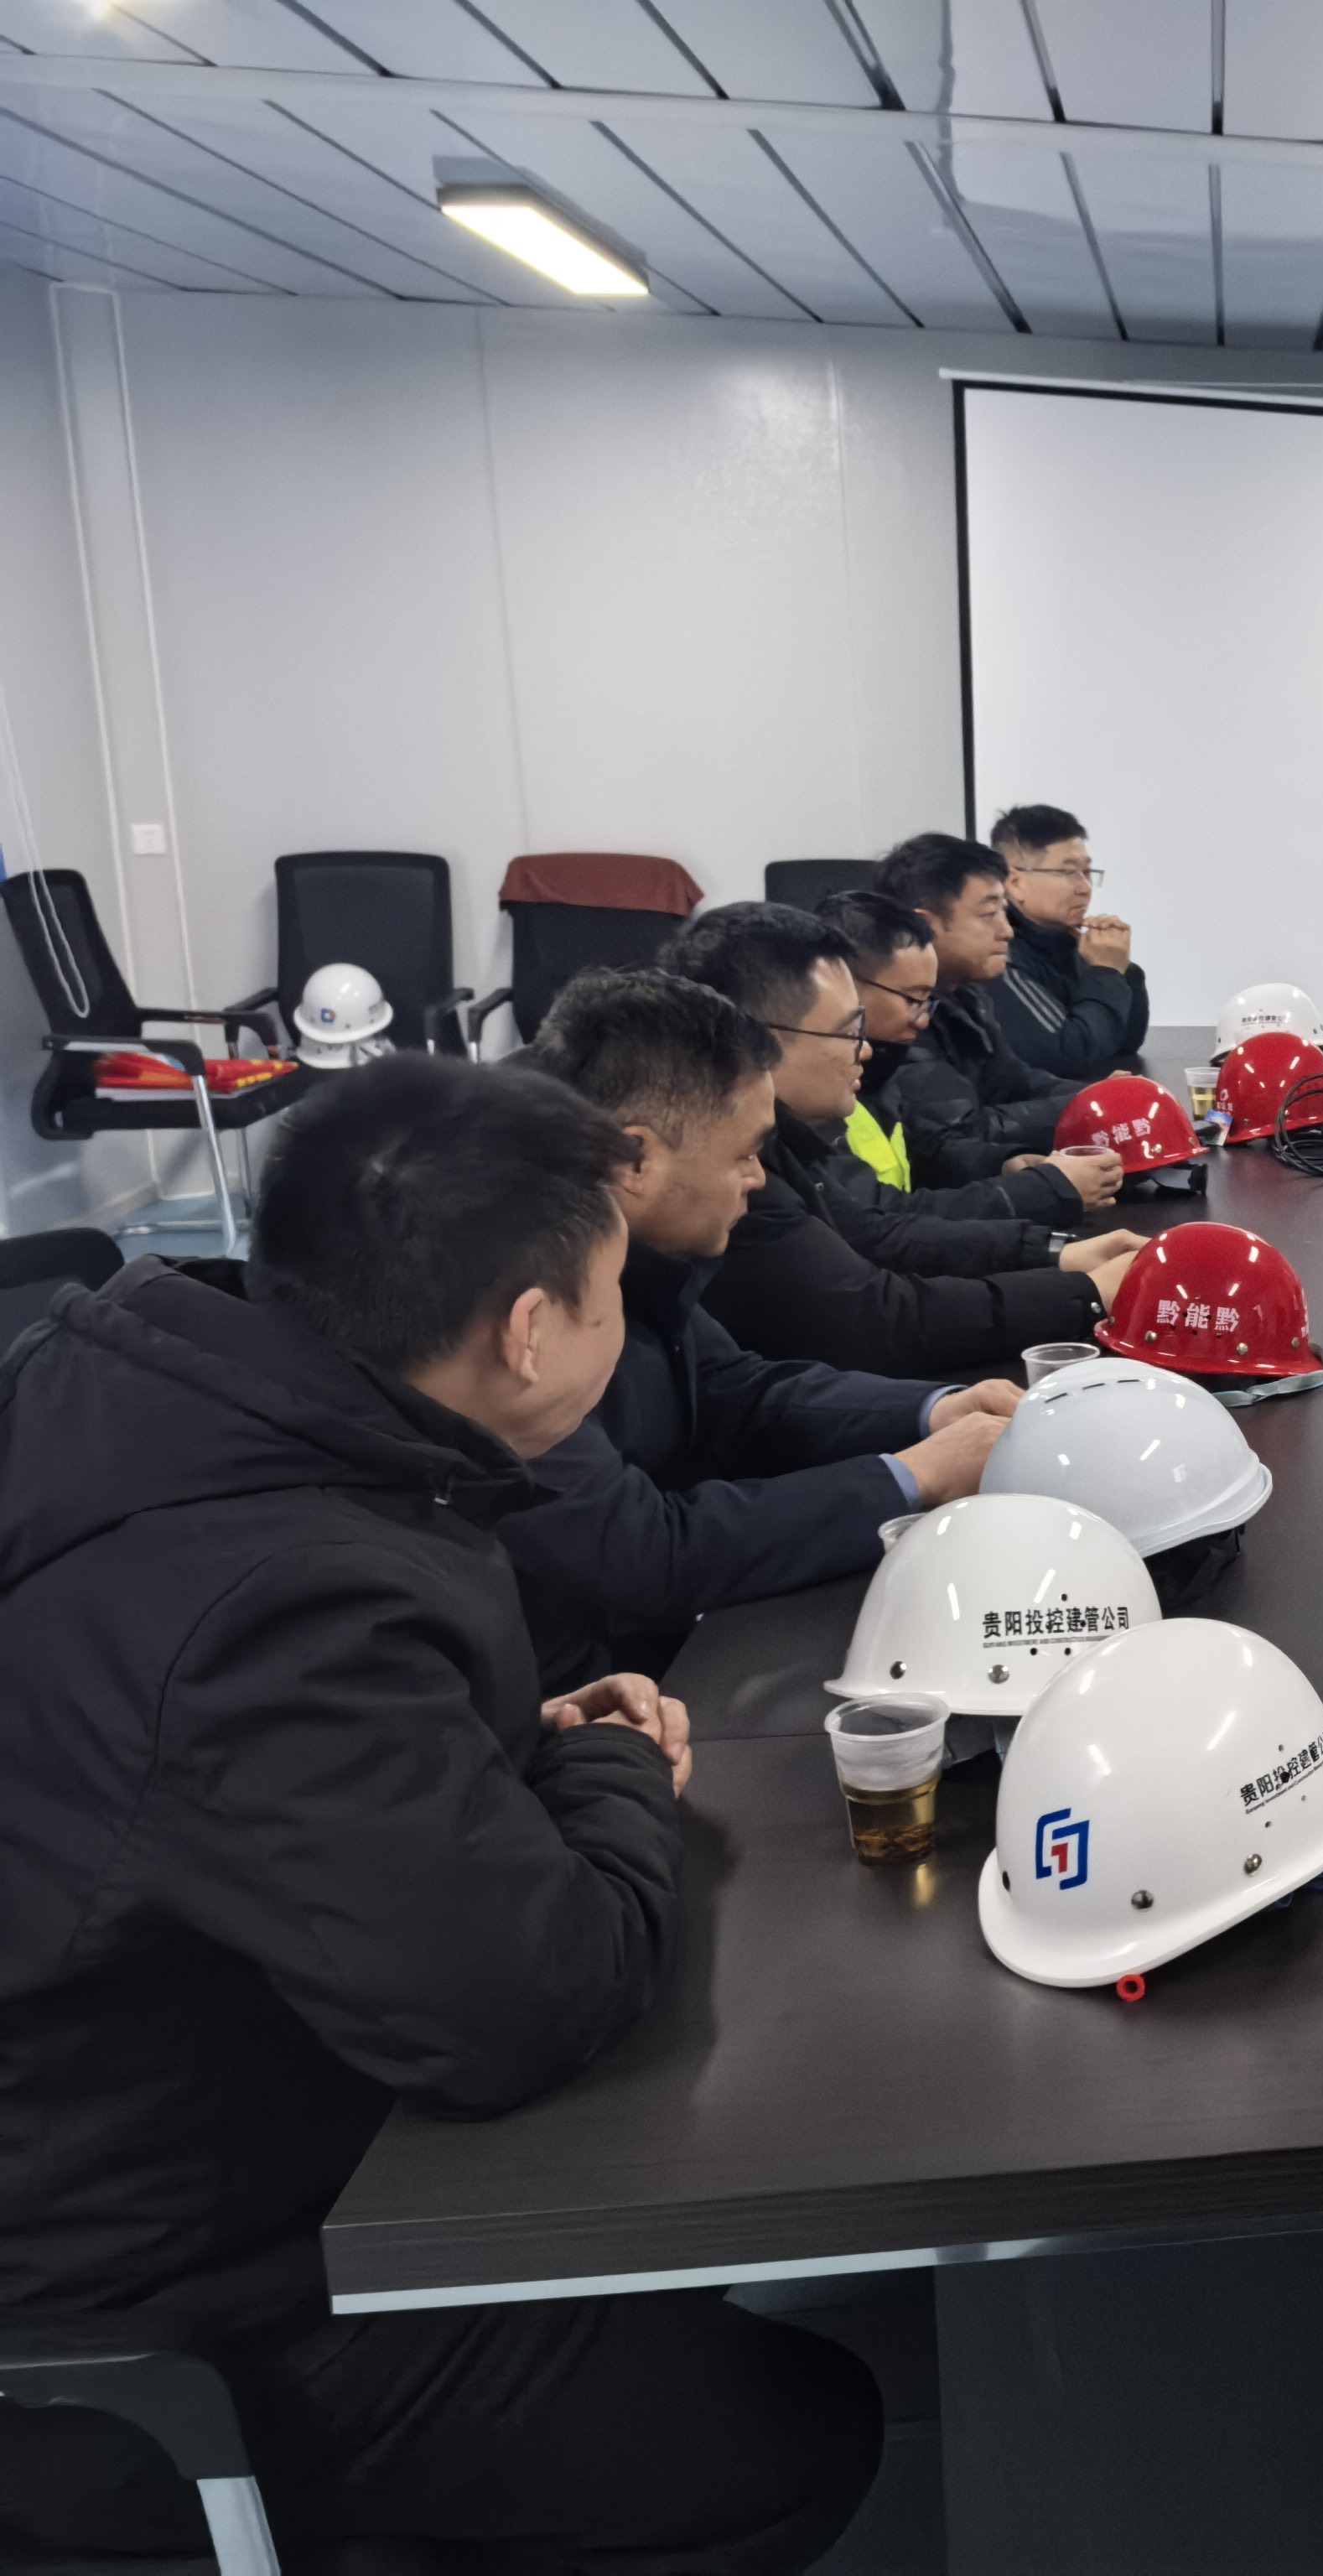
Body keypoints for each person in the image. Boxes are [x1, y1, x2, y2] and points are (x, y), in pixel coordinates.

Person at [0, 1053, 879, 2570]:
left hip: (186, 2109)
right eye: (609, 1298)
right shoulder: (287, 1600)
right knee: (775, 2432)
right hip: (151, 2316)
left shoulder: (174, 1416)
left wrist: (516, 1746)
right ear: (528, 1332)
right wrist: (614, 1766)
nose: (620, 1328)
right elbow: (528, 2005)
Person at [508, 959, 1035, 1689]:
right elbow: (644, 1556)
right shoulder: (509, 1296)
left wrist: (933, 1411)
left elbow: (739, 1391)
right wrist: (913, 1478)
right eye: (746, 1155)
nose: (758, 1180)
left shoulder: (635, 1250)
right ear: (635, 1158)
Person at [640, 911, 1145, 1379]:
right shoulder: (720, 1168)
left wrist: (1059, 1254)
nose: (865, 1048)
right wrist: (1087, 1293)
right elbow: (871, 1319)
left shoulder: (779, 1138)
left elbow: (876, 1234)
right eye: (848, 1031)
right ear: (758, 1042)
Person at [822, 887, 1117, 1228]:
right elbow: (882, 1219)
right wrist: (1041, 1192)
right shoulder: (814, 1089)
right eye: (913, 999)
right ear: (844, 987)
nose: (923, 1019)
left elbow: (926, 1150)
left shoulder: (881, 1059)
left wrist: (1006, 1163)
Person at [877, 831, 1071, 1176]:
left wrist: (1104, 1095)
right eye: (989, 914)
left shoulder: (964, 993)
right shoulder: (899, 1014)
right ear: (924, 925)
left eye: (1004, 912)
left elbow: (1014, 1081)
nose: (1007, 931)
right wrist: (1086, 1108)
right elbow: (959, 1133)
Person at [991, 801, 1149, 1083]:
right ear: (1015, 883)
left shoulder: (1066, 941)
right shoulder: (998, 953)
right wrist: (1106, 972)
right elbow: (1068, 1054)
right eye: (1068, 872)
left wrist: (1122, 968)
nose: (1084, 888)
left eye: (1087, 872)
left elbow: (1126, 1041)